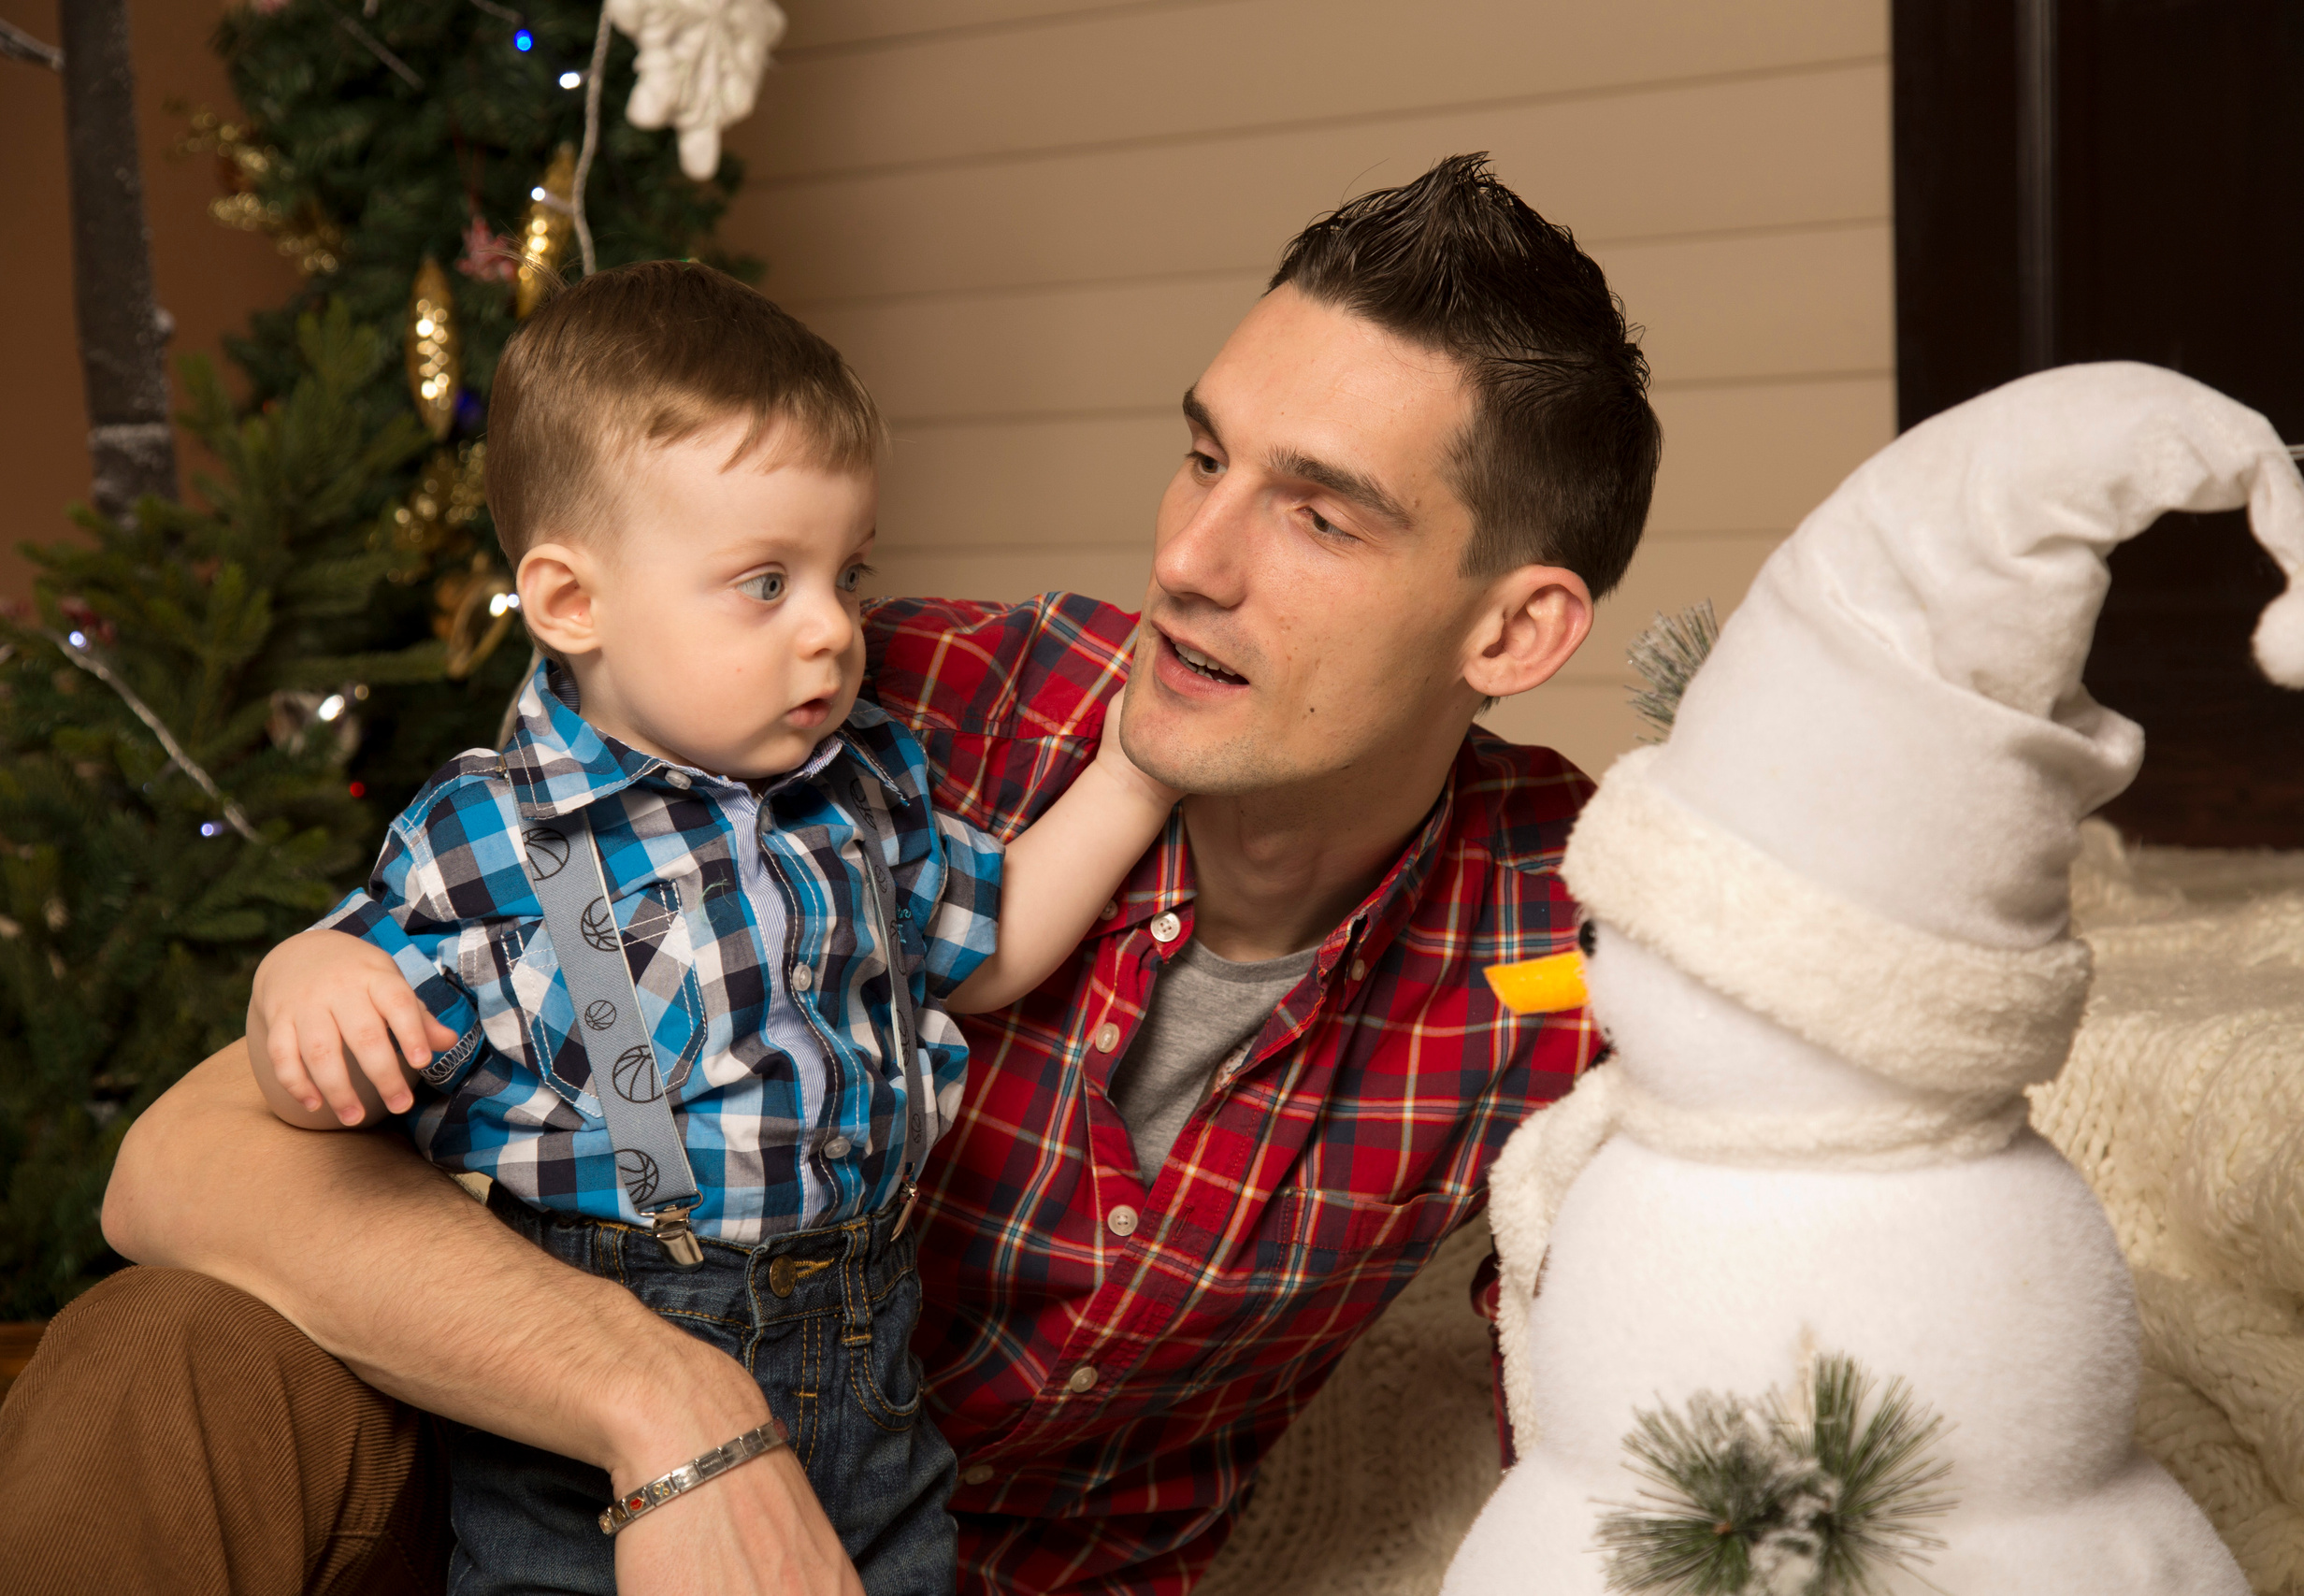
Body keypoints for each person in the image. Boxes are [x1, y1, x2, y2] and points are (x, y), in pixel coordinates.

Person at [10, 153, 1660, 1596]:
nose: (1188, 558)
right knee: (175, 1360)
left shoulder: (1569, 931)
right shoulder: (852, 717)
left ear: (1514, 630)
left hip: (962, 1551)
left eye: (1318, 517)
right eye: (1204, 455)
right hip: (558, 1499)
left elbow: (1694, 1412)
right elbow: (178, 1166)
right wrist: (669, 1414)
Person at [234, 259, 1181, 1592]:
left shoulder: (859, 786)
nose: (833, 633)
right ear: (574, 603)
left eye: (849, 575)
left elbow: (997, 946)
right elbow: (338, 1043)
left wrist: (1138, 771)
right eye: (765, 584)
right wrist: (303, 973)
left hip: (864, 1350)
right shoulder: (498, 832)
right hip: (598, 1378)